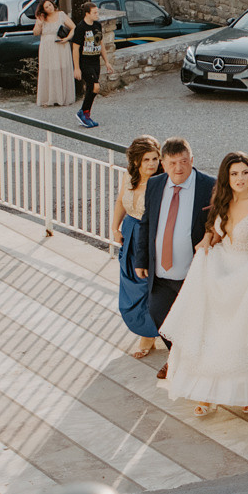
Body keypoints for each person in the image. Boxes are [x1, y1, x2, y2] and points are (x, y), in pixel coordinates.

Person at [161, 152, 248, 420]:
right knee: (212, 332)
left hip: (247, 275)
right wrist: (208, 239)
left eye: (244, 172)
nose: (240, 179)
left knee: (241, 335)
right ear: (226, 177)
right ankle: (206, 394)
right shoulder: (222, 198)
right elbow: (216, 229)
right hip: (220, 270)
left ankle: (245, 392)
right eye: (234, 174)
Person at [133, 137, 214, 388]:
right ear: (164, 165)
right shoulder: (156, 184)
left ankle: (197, 367)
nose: (178, 168)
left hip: (192, 274)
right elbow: (147, 223)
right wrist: (141, 258)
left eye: (183, 162)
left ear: (192, 160)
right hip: (159, 272)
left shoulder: (208, 186)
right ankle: (176, 356)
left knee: (196, 323)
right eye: (172, 163)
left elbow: (217, 225)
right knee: (161, 318)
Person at [108, 135, 165, 359]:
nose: (152, 164)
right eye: (146, 160)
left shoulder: (161, 182)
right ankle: (144, 328)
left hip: (151, 236)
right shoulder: (129, 176)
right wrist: (115, 227)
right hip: (131, 231)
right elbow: (121, 200)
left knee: (148, 285)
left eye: (155, 159)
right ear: (136, 162)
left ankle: (149, 334)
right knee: (130, 282)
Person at [72, 0, 111, 128]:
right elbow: (75, 48)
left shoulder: (97, 25)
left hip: (95, 61)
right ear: (87, 13)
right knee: (95, 87)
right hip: (85, 62)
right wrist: (76, 68)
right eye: (94, 12)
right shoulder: (80, 28)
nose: (97, 14)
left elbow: (101, 44)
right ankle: (83, 112)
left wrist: (107, 62)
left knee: (91, 89)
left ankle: (86, 114)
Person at [33, 0, 76, 109]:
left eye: (50, 5)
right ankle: (49, 97)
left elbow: (73, 27)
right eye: (46, 7)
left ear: (53, 5)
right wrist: (39, 23)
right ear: (44, 9)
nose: (49, 8)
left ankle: (62, 97)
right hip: (47, 47)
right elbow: (36, 33)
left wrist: (67, 38)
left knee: (60, 68)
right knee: (48, 70)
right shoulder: (42, 18)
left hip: (60, 45)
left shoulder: (61, 14)